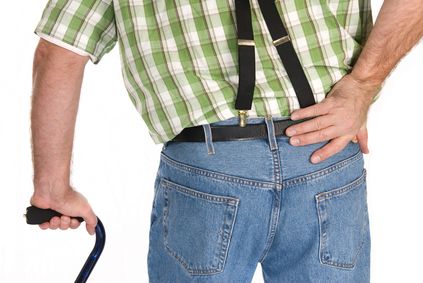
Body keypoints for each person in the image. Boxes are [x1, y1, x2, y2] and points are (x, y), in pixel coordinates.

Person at [29, 0, 423, 281]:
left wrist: (52, 188)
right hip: (326, 153)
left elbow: (60, 49)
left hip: (210, 165)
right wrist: (361, 86)